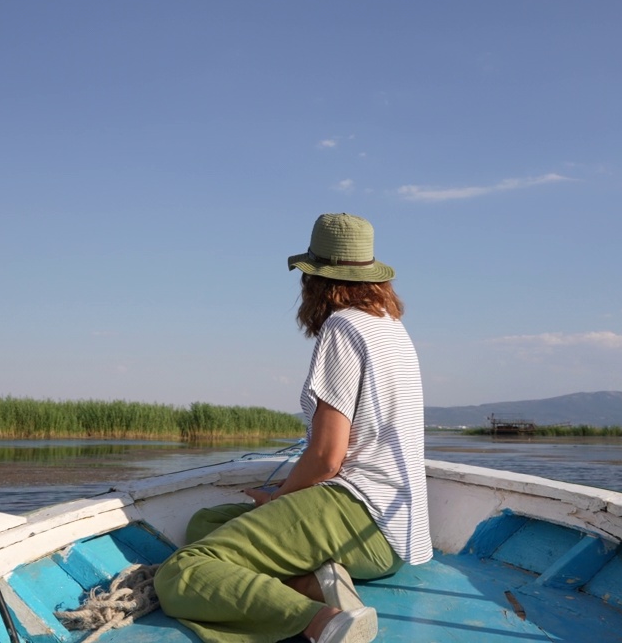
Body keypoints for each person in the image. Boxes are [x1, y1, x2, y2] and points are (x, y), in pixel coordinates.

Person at [155, 212, 432, 643]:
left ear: (316, 280)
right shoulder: (390, 327)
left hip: (359, 512)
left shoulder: (343, 326)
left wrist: (279, 498)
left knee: (182, 572)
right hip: (396, 535)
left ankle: (323, 623)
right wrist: (281, 500)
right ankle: (314, 581)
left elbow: (326, 457)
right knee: (207, 522)